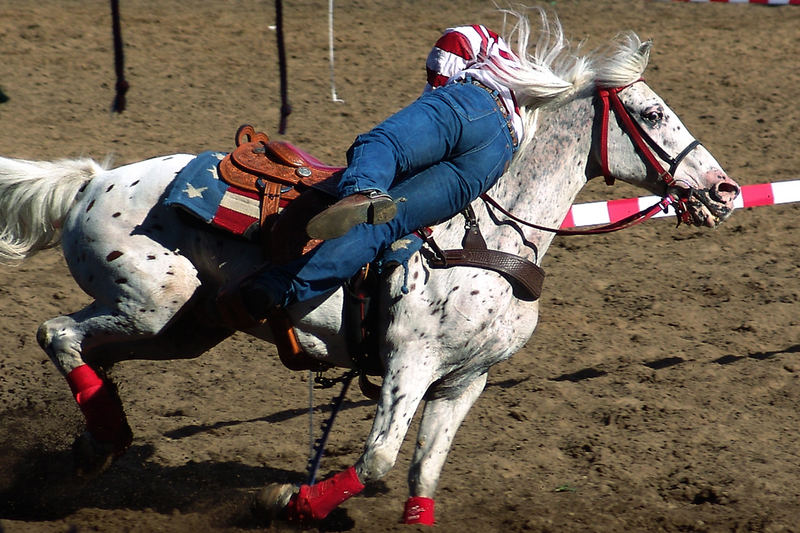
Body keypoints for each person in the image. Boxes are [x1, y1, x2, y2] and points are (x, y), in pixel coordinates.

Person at [224, 23, 528, 323]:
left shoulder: (479, 39)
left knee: (383, 144)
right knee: (387, 223)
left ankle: (361, 191)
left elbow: (453, 48)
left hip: (472, 101)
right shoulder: (523, 85)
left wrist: (435, 96)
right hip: (498, 153)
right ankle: (279, 288)